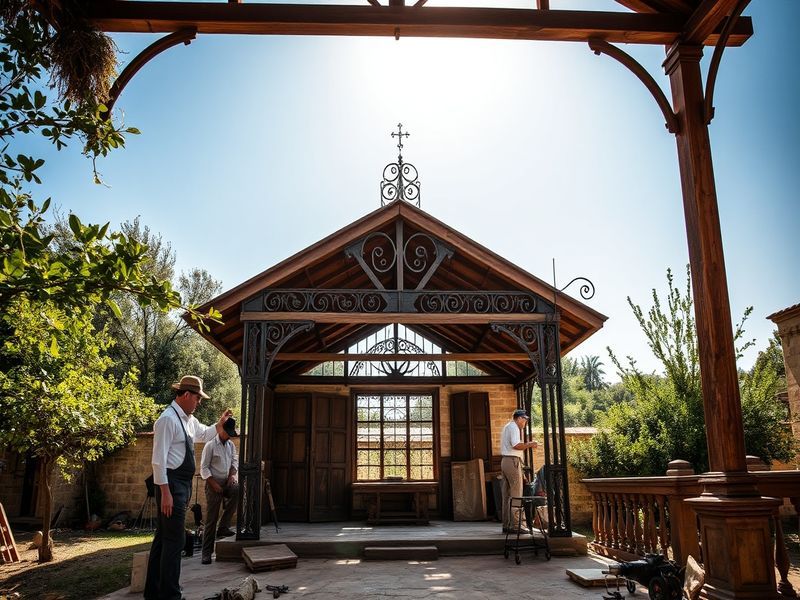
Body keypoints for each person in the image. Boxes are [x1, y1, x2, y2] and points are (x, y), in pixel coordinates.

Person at [144, 375, 232, 600]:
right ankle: (171, 595)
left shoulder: (188, 420)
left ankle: (153, 592)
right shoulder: (167, 420)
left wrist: (220, 423)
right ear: (185, 395)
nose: (199, 402)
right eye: (197, 398)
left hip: (180, 486)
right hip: (170, 486)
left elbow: (203, 434)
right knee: (175, 541)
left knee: (163, 539)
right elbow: (158, 461)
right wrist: (165, 493)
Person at [199, 416, 239, 565]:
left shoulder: (231, 446)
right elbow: (203, 468)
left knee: (237, 490)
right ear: (221, 429)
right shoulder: (210, 446)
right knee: (211, 519)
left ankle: (224, 526)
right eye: (226, 431)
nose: (228, 435)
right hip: (212, 483)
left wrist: (231, 475)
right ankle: (206, 553)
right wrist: (213, 483)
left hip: (226, 481)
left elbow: (234, 461)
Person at [500, 408, 538, 533]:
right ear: (519, 418)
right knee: (516, 494)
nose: (525, 422)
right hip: (512, 461)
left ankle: (507, 524)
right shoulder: (514, 427)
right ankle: (517, 526)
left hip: (505, 461)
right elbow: (516, 445)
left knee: (506, 495)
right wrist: (530, 444)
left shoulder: (508, 426)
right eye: (525, 420)